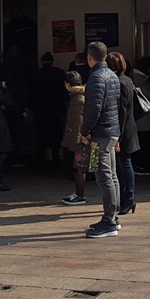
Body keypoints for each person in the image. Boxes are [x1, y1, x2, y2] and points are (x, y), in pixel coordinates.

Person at [81, 41, 121, 238]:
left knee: (103, 176)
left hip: (100, 134)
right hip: (111, 131)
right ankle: (113, 217)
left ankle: (109, 221)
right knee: (111, 176)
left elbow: (93, 108)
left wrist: (85, 130)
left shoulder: (96, 77)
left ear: (90, 57)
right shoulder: (112, 75)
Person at [107, 52, 141, 216]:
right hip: (129, 128)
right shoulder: (126, 79)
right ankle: (127, 198)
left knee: (124, 164)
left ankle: (129, 198)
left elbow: (122, 111)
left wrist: (117, 137)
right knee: (123, 165)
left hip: (124, 131)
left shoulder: (120, 82)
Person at [29, 52, 66, 165]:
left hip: (40, 109)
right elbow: (63, 92)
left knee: (41, 133)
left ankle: (41, 158)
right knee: (55, 132)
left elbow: (32, 92)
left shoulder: (36, 74)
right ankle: (55, 157)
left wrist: (31, 106)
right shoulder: (59, 73)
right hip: (55, 108)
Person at [60, 70, 88, 205]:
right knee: (81, 167)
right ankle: (78, 193)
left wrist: (75, 142)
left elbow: (78, 122)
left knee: (79, 167)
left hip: (81, 140)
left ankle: (80, 195)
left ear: (67, 84)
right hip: (84, 138)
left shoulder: (77, 99)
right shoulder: (81, 95)